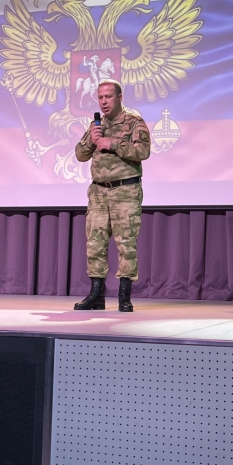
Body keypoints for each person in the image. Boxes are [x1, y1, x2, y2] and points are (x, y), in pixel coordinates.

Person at [73, 80, 151, 313]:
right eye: (100, 97)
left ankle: (124, 297)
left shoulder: (134, 122)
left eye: (108, 97)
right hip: (98, 192)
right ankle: (96, 295)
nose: (104, 102)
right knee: (95, 244)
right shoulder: (96, 125)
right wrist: (92, 139)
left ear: (119, 97)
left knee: (126, 244)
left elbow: (143, 151)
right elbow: (80, 155)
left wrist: (113, 143)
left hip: (125, 190)